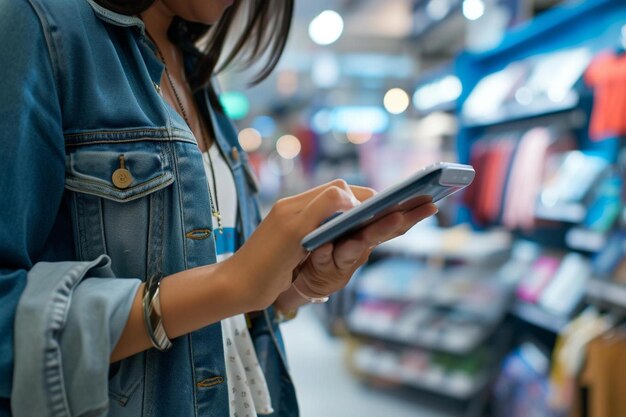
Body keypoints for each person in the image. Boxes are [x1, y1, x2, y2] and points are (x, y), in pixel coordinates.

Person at [0, 0, 438, 416]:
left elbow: (227, 302)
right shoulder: (40, 25)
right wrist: (230, 283)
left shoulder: (195, 73)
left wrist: (298, 285)